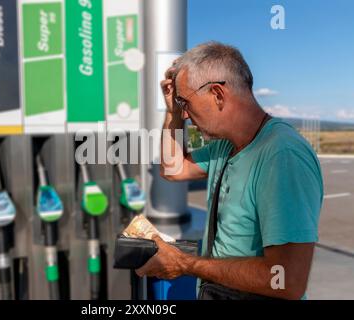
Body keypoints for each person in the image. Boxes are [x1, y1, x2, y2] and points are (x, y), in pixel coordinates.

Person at [135, 42, 323, 300]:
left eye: (186, 103)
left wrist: (185, 264)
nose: (186, 115)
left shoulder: (282, 155)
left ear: (217, 94)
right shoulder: (225, 146)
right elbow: (173, 168)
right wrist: (172, 112)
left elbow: (287, 280)